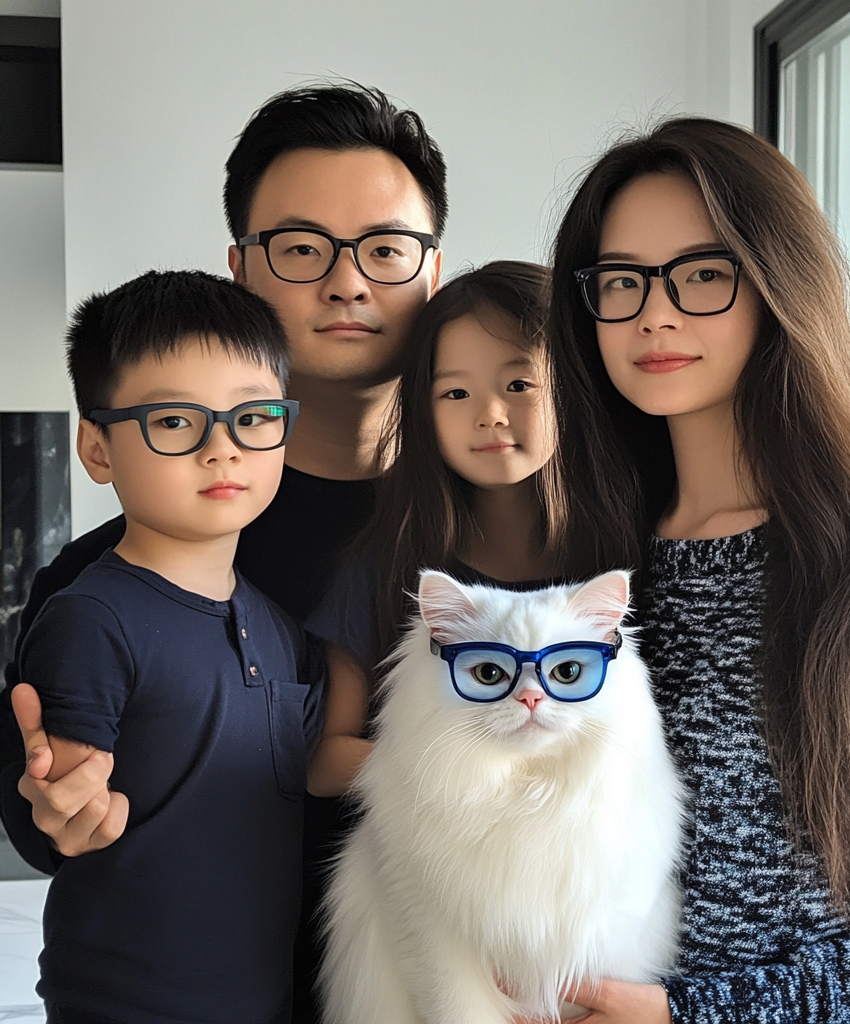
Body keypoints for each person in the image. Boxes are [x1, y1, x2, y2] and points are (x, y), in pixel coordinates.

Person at [530, 117, 850, 1023]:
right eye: (622, 281)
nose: (656, 312)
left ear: (777, 285)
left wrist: (694, 1015)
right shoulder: (593, 554)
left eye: (704, 274)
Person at [0, 82, 446, 1022]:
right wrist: (57, 812)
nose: (349, 280)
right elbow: (41, 815)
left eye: (387, 248)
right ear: (241, 269)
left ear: (433, 272)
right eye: (300, 247)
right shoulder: (105, 580)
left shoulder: (499, 535)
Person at [18, 269, 324, 1023]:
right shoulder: (90, 616)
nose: (223, 450)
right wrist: (68, 804)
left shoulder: (283, 631)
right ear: (97, 448)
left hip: (266, 1002)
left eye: (252, 417)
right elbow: (66, 803)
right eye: (176, 422)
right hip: (123, 1005)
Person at [303, 260, 637, 797]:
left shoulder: (624, 546)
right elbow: (325, 760)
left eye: (519, 383)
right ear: (421, 410)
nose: (491, 414)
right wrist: (474, 775)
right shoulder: (387, 562)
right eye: (455, 394)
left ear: (574, 389)